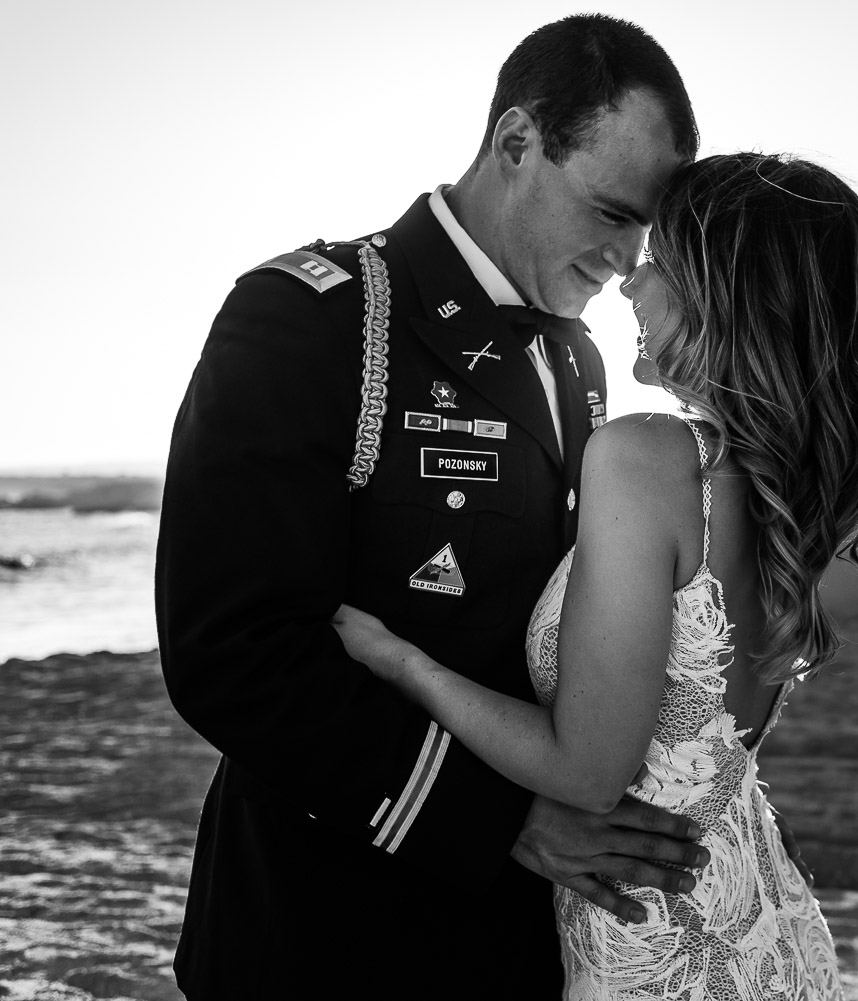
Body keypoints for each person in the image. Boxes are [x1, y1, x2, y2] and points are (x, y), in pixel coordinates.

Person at [156, 15, 710, 998]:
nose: (629, 261)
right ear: (516, 143)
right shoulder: (316, 317)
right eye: (612, 213)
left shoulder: (576, 358)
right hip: (321, 932)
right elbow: (230, 648)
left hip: (515, 944)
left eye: (646, 230)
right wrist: (500, 818)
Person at [332, 152, 858, 999]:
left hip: (660, 941)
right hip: (762, 917)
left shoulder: (648, 457)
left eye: (658, 263)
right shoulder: (773, 485)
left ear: (721, 293)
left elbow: (584, 771)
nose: (627, 283)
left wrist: (403, 663)